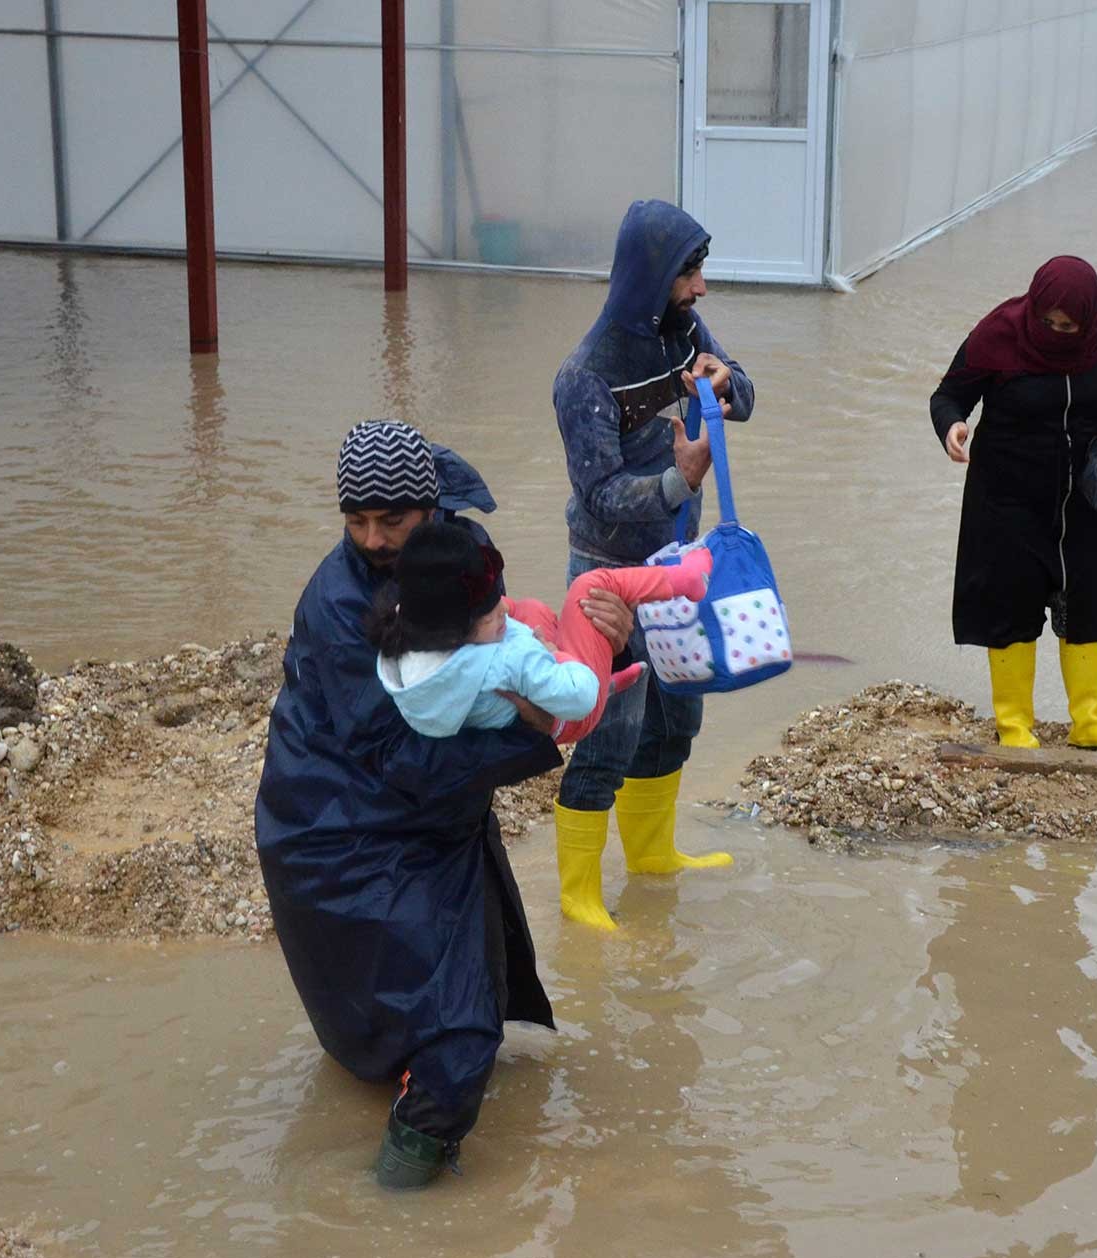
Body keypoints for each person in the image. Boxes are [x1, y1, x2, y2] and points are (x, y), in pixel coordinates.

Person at [252, 419, 634, 1189]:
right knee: (457, 1044)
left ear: (430, 508)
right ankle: (387, 1207)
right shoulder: (338, 607)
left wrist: (610, 640)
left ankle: (405, 1100)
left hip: (431, 813)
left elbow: (511, 646)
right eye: (356, 522)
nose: (372, 539)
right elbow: (396, 755)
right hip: (338, 827)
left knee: (475, 984)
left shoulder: (453, 548)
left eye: (391, 520)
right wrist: (541, 735)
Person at [549, 199, 754, 931]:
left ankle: (652, 856)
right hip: (607, 578)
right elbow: (601, 494)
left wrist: (726, 385)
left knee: (674, 723)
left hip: (679, 567)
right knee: (608, 732)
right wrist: (683, 480)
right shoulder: (583, 377)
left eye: (700, 272)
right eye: (688, 274)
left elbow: (747, 394)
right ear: (649, 276)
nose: (700, 289)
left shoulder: (685, 332)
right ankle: (577, 896)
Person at [929, 255, 1097, 752]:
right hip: (1006, 497)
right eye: (1046, 322)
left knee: (1088, 598)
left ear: (1088, 318)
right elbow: (948, 395)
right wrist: (953, 426)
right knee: (1010, 601)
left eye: (1067, 326)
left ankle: (1090, 721)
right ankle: (1014, 726)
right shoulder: (998, 333)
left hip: (1085, 497)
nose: (1055, 332)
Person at [374, 520, 713, 746]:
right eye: (490, 614)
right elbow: (580, 698)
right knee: (590, 586)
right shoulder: (511, 661)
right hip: (573, 708)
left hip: (532, 700)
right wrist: (553, 655)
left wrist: (503, 623)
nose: (502, 611)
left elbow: (491, 616)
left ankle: (607, 675)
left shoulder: (409, 640)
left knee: (528, 609)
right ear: (456, 634)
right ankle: (685, 580)